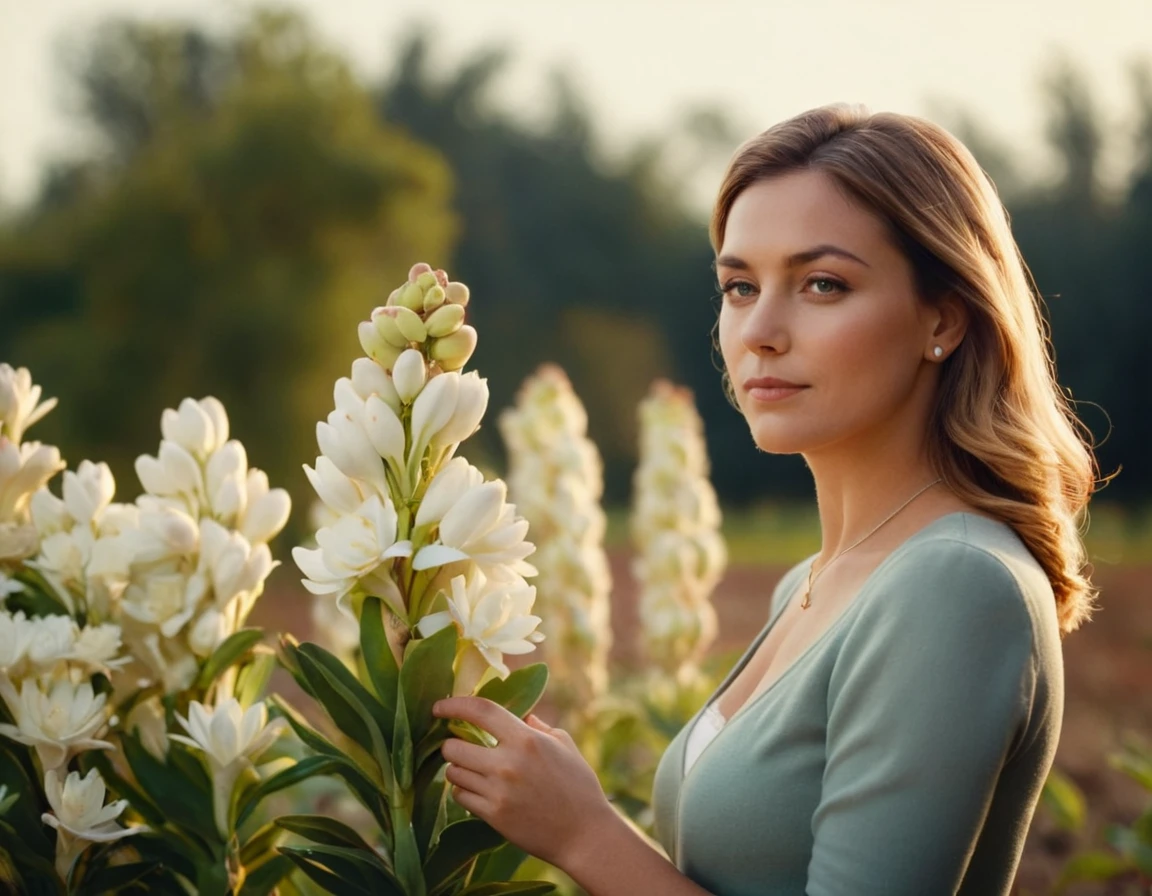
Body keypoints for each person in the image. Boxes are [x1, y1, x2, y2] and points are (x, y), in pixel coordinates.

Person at [432, 104, 1098, 896]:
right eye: (740, 285)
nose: (761, 331)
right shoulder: (813, 582)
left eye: (823, 284)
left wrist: (584, 832)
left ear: (944, 319)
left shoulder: (954, 584)